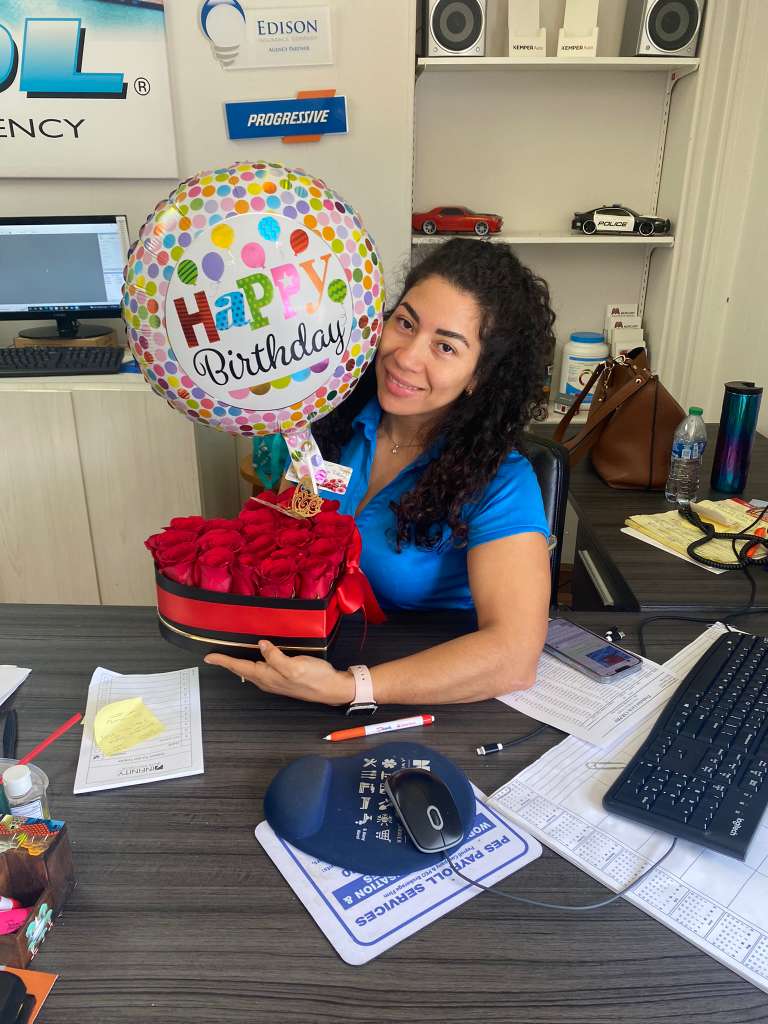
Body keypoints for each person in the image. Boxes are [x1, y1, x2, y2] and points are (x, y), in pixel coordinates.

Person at [205, 238, 555, 708]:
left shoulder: (501, 481)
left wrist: (350, 688)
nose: (406, 357)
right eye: (405, 323)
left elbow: (513, 657)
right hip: (303, 667)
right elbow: (290, 540)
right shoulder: (329, 424)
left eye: (445, 347)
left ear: (480, 376)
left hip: (426, 695)